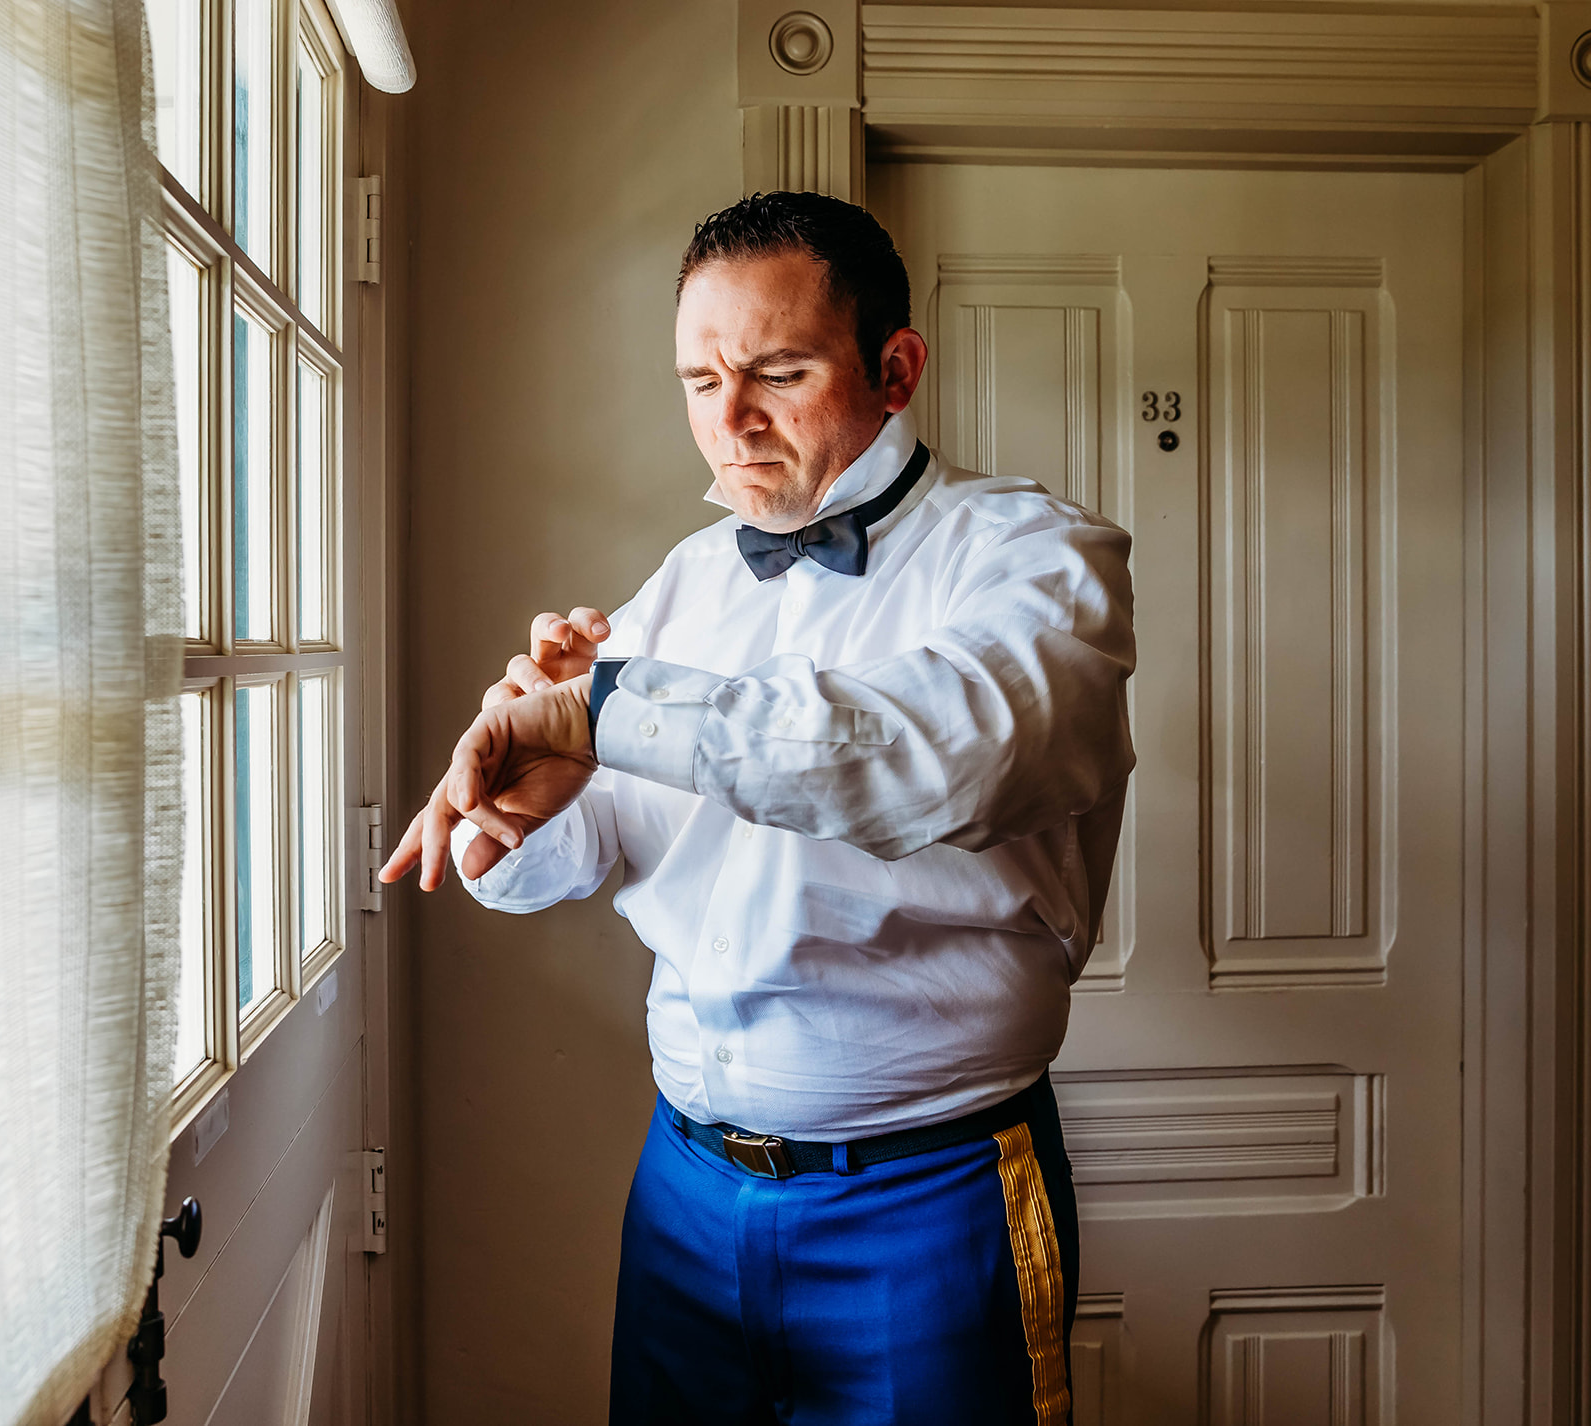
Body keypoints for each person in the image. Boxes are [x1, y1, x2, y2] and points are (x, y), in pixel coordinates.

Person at [381, 191, 1135, 1426]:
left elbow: (938, 756)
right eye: (697, 379)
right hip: (684, 1190)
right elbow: (575, 859)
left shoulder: (1037, 560)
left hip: (929, 1197)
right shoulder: (683, 585)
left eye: (776, 372)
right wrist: (519, 814)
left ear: (894, 369)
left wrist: (608, 711)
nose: (726, 422)